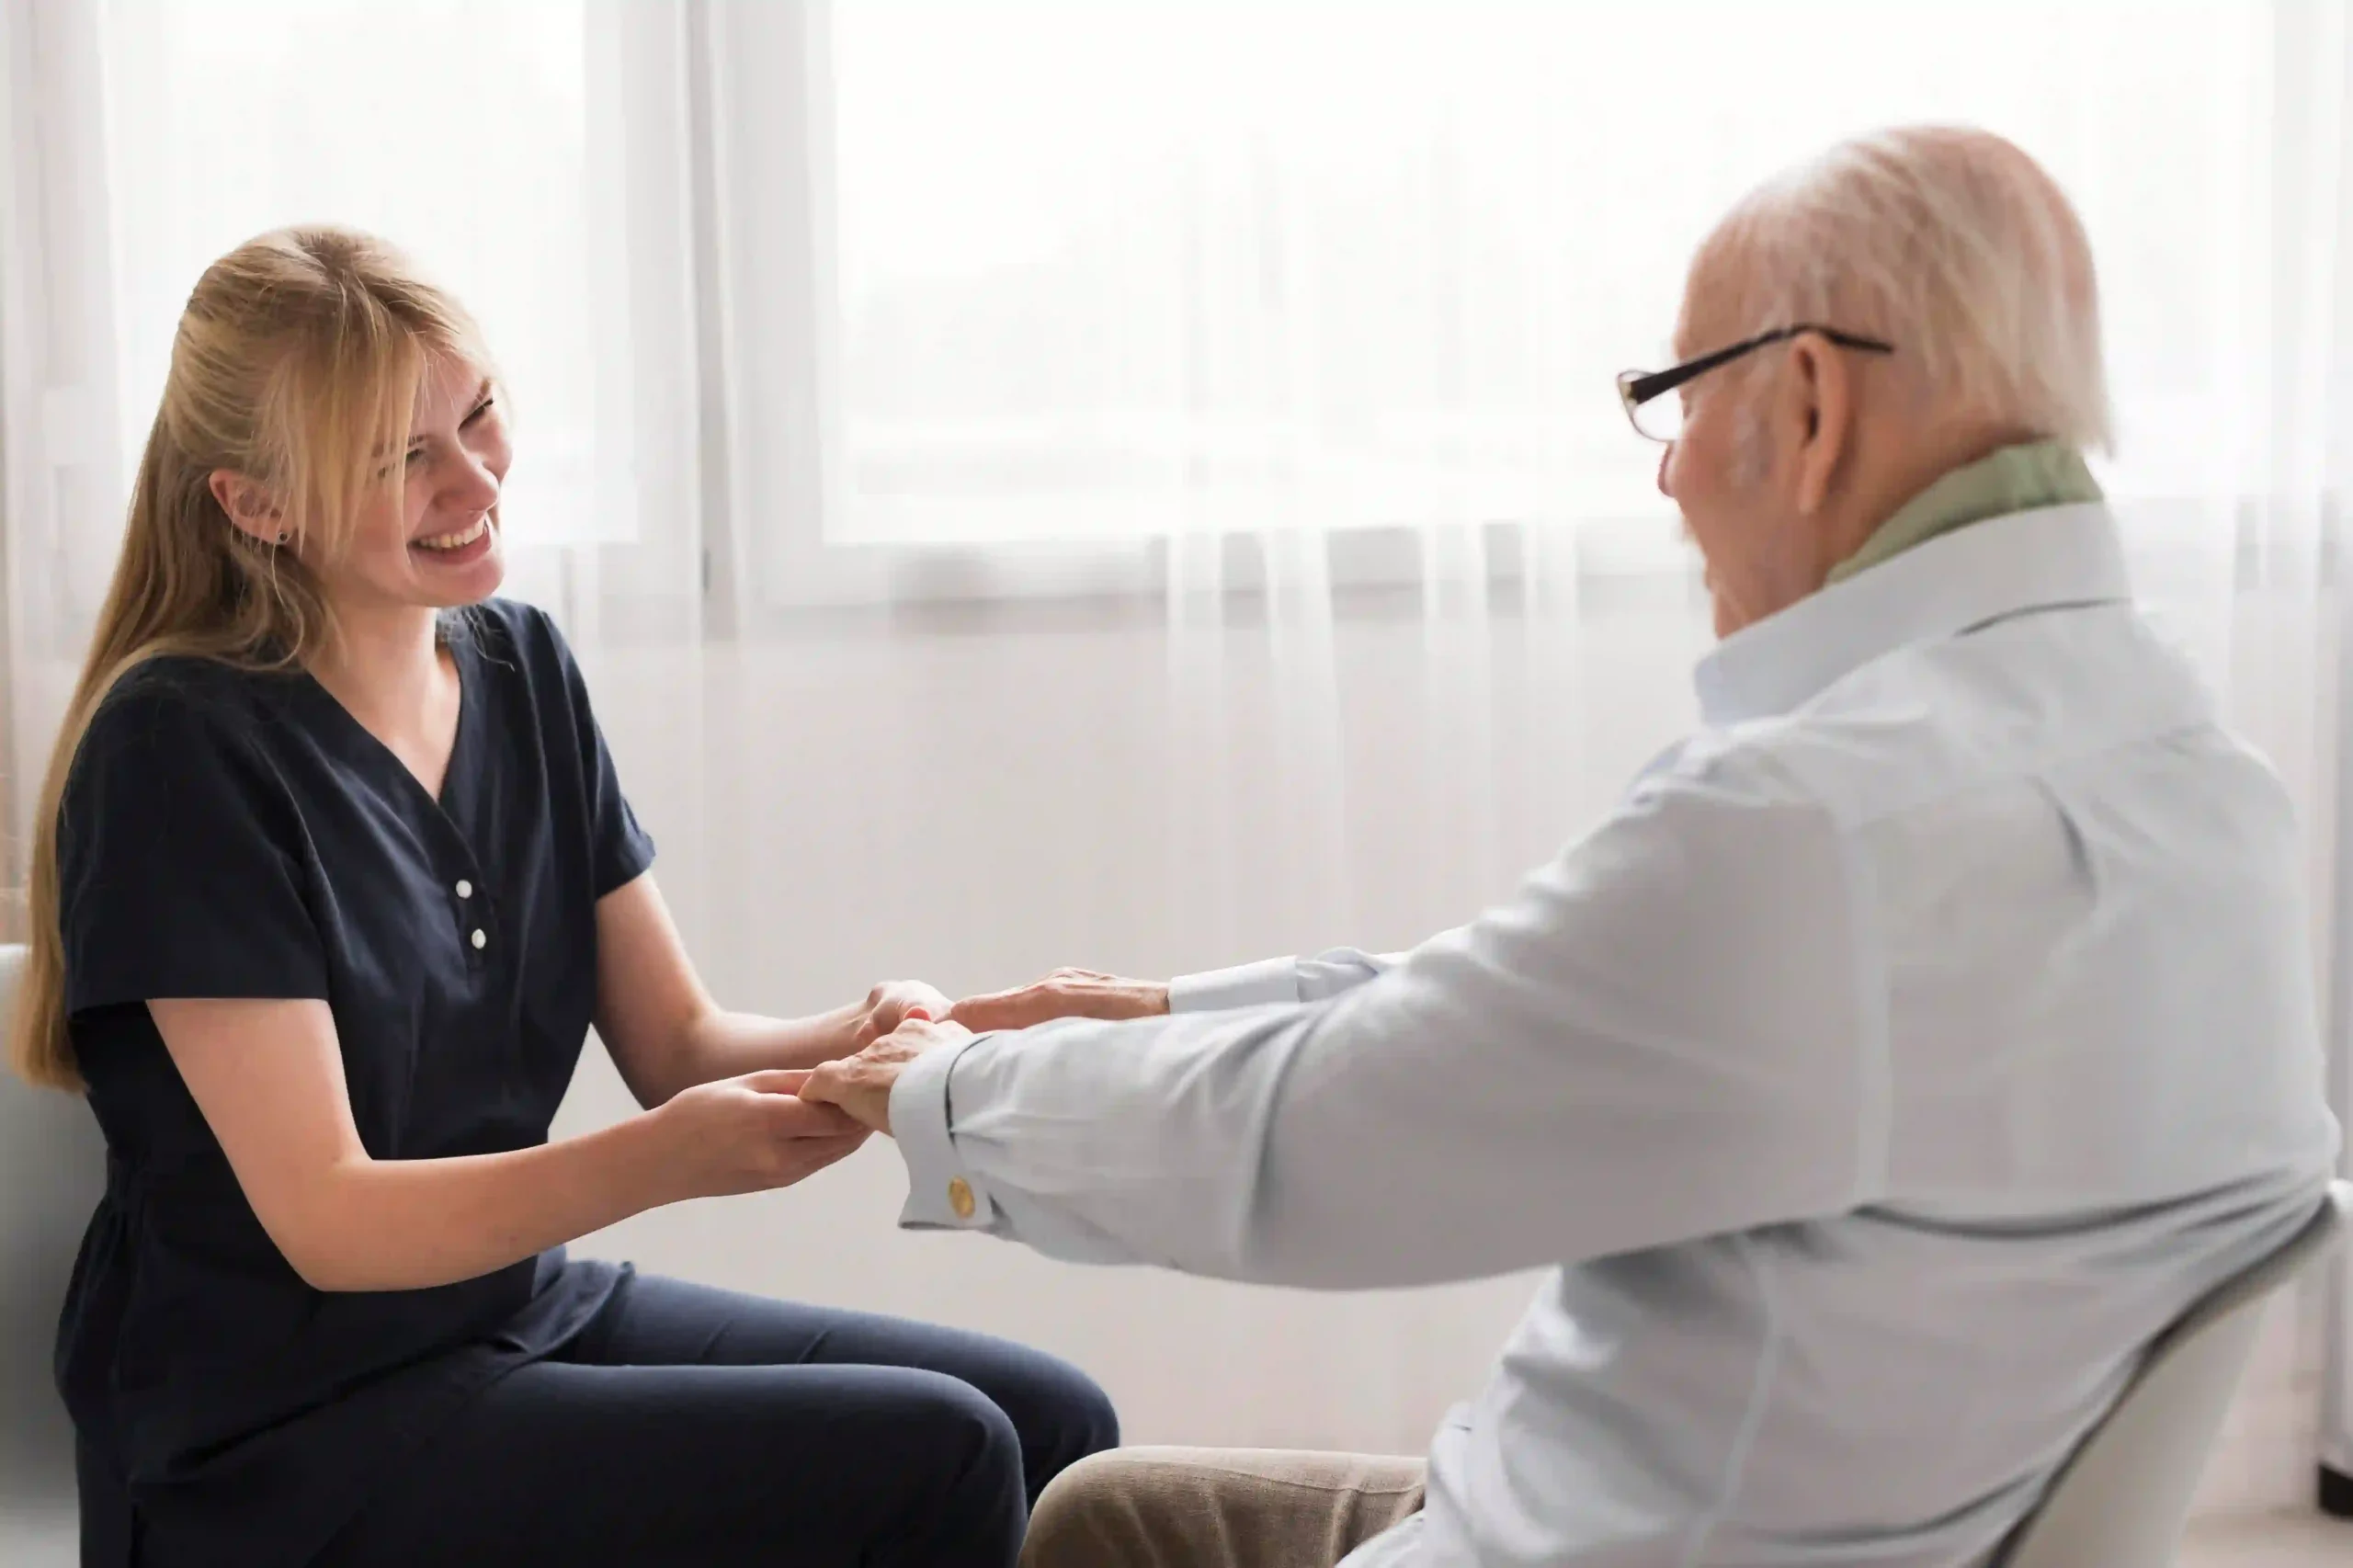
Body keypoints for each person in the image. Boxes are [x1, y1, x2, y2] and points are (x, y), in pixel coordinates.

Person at [800, 126, 2345, 1568]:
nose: (1668, 471)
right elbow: (1564, 1018)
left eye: (1675, 398)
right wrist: (1168, 1011)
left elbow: (1324, 1141)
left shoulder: (1817, 828)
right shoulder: (2200, 782)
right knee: (1102, 1512)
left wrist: (947, 1091)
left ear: (1809, 407)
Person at [9, 227, 1116, 1568]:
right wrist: (664, 1166)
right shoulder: (177, 747)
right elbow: (331, 1215)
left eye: (476, 415)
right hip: (278, 1425)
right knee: (942, 1454)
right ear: (257, 504)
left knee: (1056, 1424)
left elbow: (680, 1049)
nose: (473, 478)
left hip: (505, 1315)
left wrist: (906, 1036)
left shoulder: (522, 668)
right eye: (397, 456)